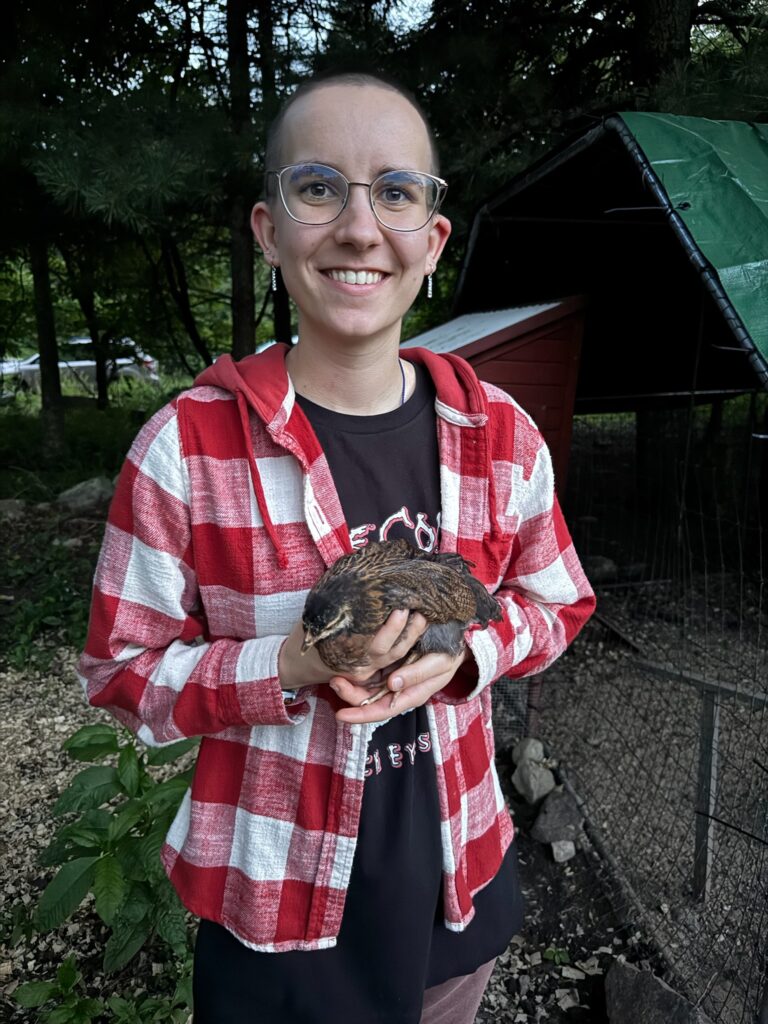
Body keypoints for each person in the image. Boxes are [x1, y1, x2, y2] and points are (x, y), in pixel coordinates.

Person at [78, 71, 596, 1024]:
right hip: (270, 920)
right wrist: (287, 663)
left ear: (432, 241)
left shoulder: (503, 436)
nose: (360, 229)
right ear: (270, 230)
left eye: (396, 193)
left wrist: (459, 663)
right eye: (319, 187)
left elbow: (558, 604)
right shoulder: (183, 452)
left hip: (455, 897)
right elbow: (120, 675)